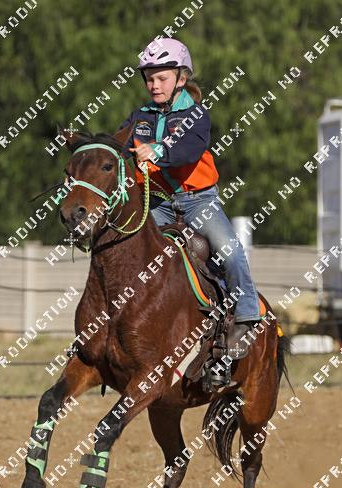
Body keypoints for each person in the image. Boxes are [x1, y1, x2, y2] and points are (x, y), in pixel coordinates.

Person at [118, 37, 262, 387]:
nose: (154, 85)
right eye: (149, 78)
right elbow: (118, 147)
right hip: (158, 203)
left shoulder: (197, 115)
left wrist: (156, 151)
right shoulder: (139, 117)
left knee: (230, 251)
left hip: (199, 201)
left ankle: (246, 316)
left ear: (181, 78)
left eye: (161, 78)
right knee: (126, 251)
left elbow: (187, 151)